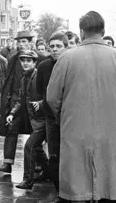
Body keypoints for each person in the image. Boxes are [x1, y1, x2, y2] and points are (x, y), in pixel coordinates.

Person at [47, 11, 116, 202]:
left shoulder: (65, 60)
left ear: (81, 32)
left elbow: (52, 99)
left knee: (76, 194)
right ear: (103, 31)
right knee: (109, 193)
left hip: (75, 137)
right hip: (112, 139)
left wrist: (65, 120)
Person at [0, 30, 46, 173]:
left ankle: (37, 162)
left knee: (35, 131)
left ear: (31, 42)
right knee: (11, 128)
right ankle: (7, 162)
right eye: (19, 42)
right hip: (15, 99)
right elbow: (9, 79)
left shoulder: (41, 58)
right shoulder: (13, 59)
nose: (21, 44)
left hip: (33, 100)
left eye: (24, 41)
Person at [6, 50, 47, 189]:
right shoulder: (24, 79)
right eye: (23, 60)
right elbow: (20, 100)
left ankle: (28, 180)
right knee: (37, 148)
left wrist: (41, 103)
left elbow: (51, 95)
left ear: (35, 63)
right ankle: (49, 172)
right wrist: (12, 113)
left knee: (29, 146)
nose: (25, 63)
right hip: (34, 121)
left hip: (43, 120)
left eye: (29, 61)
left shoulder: (40, 76)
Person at [36, 31, 69, 202]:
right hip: (51, 117)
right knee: (54, 153)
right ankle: (60, 192)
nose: (55, 50)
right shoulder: (43, 67)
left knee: (70, 154)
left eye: (59, 46)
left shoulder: (72, 64)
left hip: (70, 118)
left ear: (66, 47)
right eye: (52, 46)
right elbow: (41, 90)